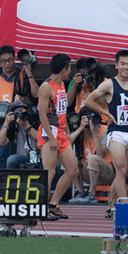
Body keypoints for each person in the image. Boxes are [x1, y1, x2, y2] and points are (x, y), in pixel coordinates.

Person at [85, 50, 128, 218]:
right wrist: (107, 114)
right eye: (123, 64)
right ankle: (126, 208)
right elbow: (89, 100)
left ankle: (110, 208)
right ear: (117, 65)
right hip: (116, 133)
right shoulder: (109, 85)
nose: (126, 67)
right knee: (120, 169)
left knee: (123, 173)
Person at [37, 53, 78, 221]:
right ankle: (41, 208)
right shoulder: (46, 87)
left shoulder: (61, 84)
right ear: (63, 69)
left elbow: (62, 109)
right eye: (69, 68)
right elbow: (42, 115)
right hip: (50, 133)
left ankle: (53, 205)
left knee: (72, 169)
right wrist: (52, 138)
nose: (70, 71)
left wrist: (67, 128)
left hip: (60, 132)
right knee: (50, 171)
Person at [0, 100, 40, 169]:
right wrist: (6, 123)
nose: (20, 114)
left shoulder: (35, 120)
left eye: (22, 110)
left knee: (56, 165)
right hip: (23, 158)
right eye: (17, 112)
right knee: (12, 160)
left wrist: (27, 126)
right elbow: (0, 142)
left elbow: (42, 139)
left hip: (39, 157)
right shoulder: (15, 125)